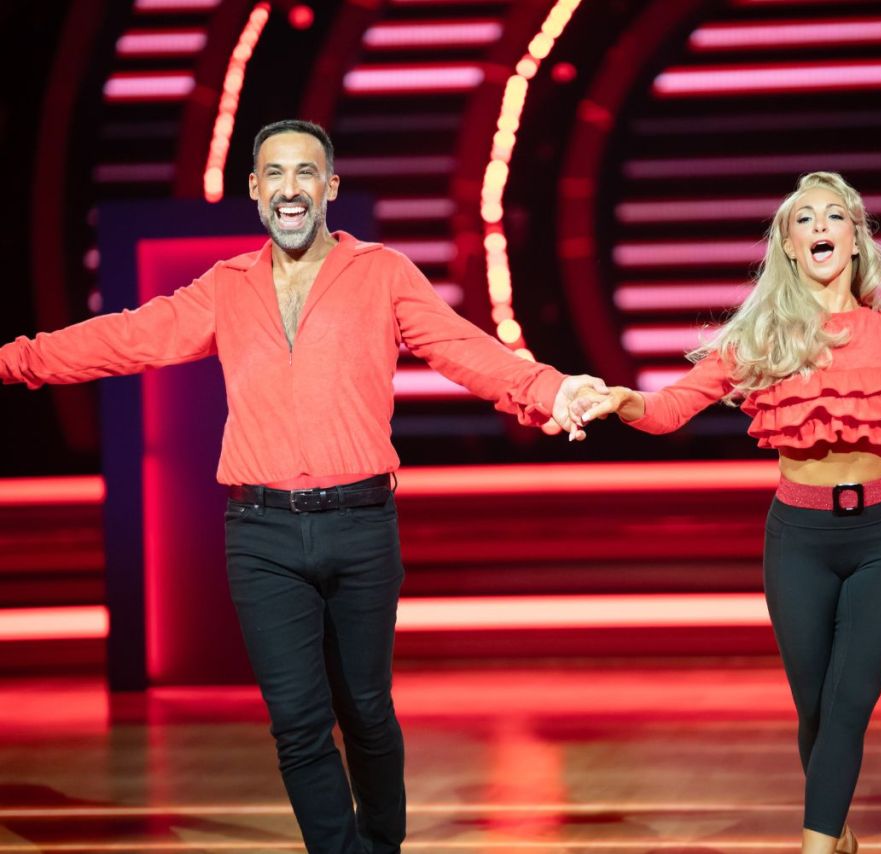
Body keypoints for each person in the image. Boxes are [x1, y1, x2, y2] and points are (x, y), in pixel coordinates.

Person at [0, 119, 602, 854]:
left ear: (330, 188)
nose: (291, 189)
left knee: (368, 712)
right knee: (295, 721)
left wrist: (550, 389)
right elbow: (126, 337)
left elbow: (464, 350)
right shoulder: (226, 287)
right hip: (261, 534)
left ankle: (380, 843)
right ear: (255, 191)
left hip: (360, 524)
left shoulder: (380, 273)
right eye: (276, 175)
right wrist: (14, 360)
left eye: (306, 174)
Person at [572, 171, 881, 854]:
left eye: (835, 216)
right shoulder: (757, 338)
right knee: (815, 708)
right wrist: (620, 400)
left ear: (855, 238)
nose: (821, 226)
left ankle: (814, 846)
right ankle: (835, 833)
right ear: (787, 244)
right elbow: (669, 409)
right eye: (805, 218)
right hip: (800, 538)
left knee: (846, 708)